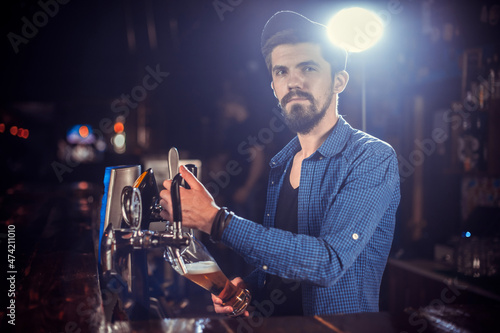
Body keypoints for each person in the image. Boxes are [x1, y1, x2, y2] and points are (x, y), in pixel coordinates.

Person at [159, 10, 400, 316]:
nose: (293, 82)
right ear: (273, 86)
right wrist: (249, 288)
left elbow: (327, 263)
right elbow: (280, 264)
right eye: (281, 71)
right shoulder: (282, 164)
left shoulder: (371, 157)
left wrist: (217, 221)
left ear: (339, 81)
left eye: (308, 68)